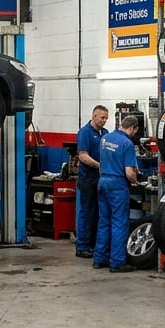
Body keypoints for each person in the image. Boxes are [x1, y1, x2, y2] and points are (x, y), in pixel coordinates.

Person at [95, 115, 141, 273]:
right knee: (119, 223)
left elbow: (103, 162)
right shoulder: (127, 143)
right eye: (135, 131)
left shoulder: (105, 138)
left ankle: (99, 258)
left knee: (104, 221)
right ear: (132, 128)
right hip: (117, 185)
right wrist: (135, 180)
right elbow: (129, 172)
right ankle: (117, 262)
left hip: (103, 181)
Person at [74, 105, 109, 259]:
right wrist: (99, 166)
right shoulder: (84, 133)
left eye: (106, 118)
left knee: (99, 213)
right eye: (102, 117)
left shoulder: (106, 133)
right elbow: (82, 155)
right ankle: (82, 246)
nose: (104, 120)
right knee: (87, 212)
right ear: (94, 116)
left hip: (102, 180)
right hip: (88, 179)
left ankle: (95, 245)